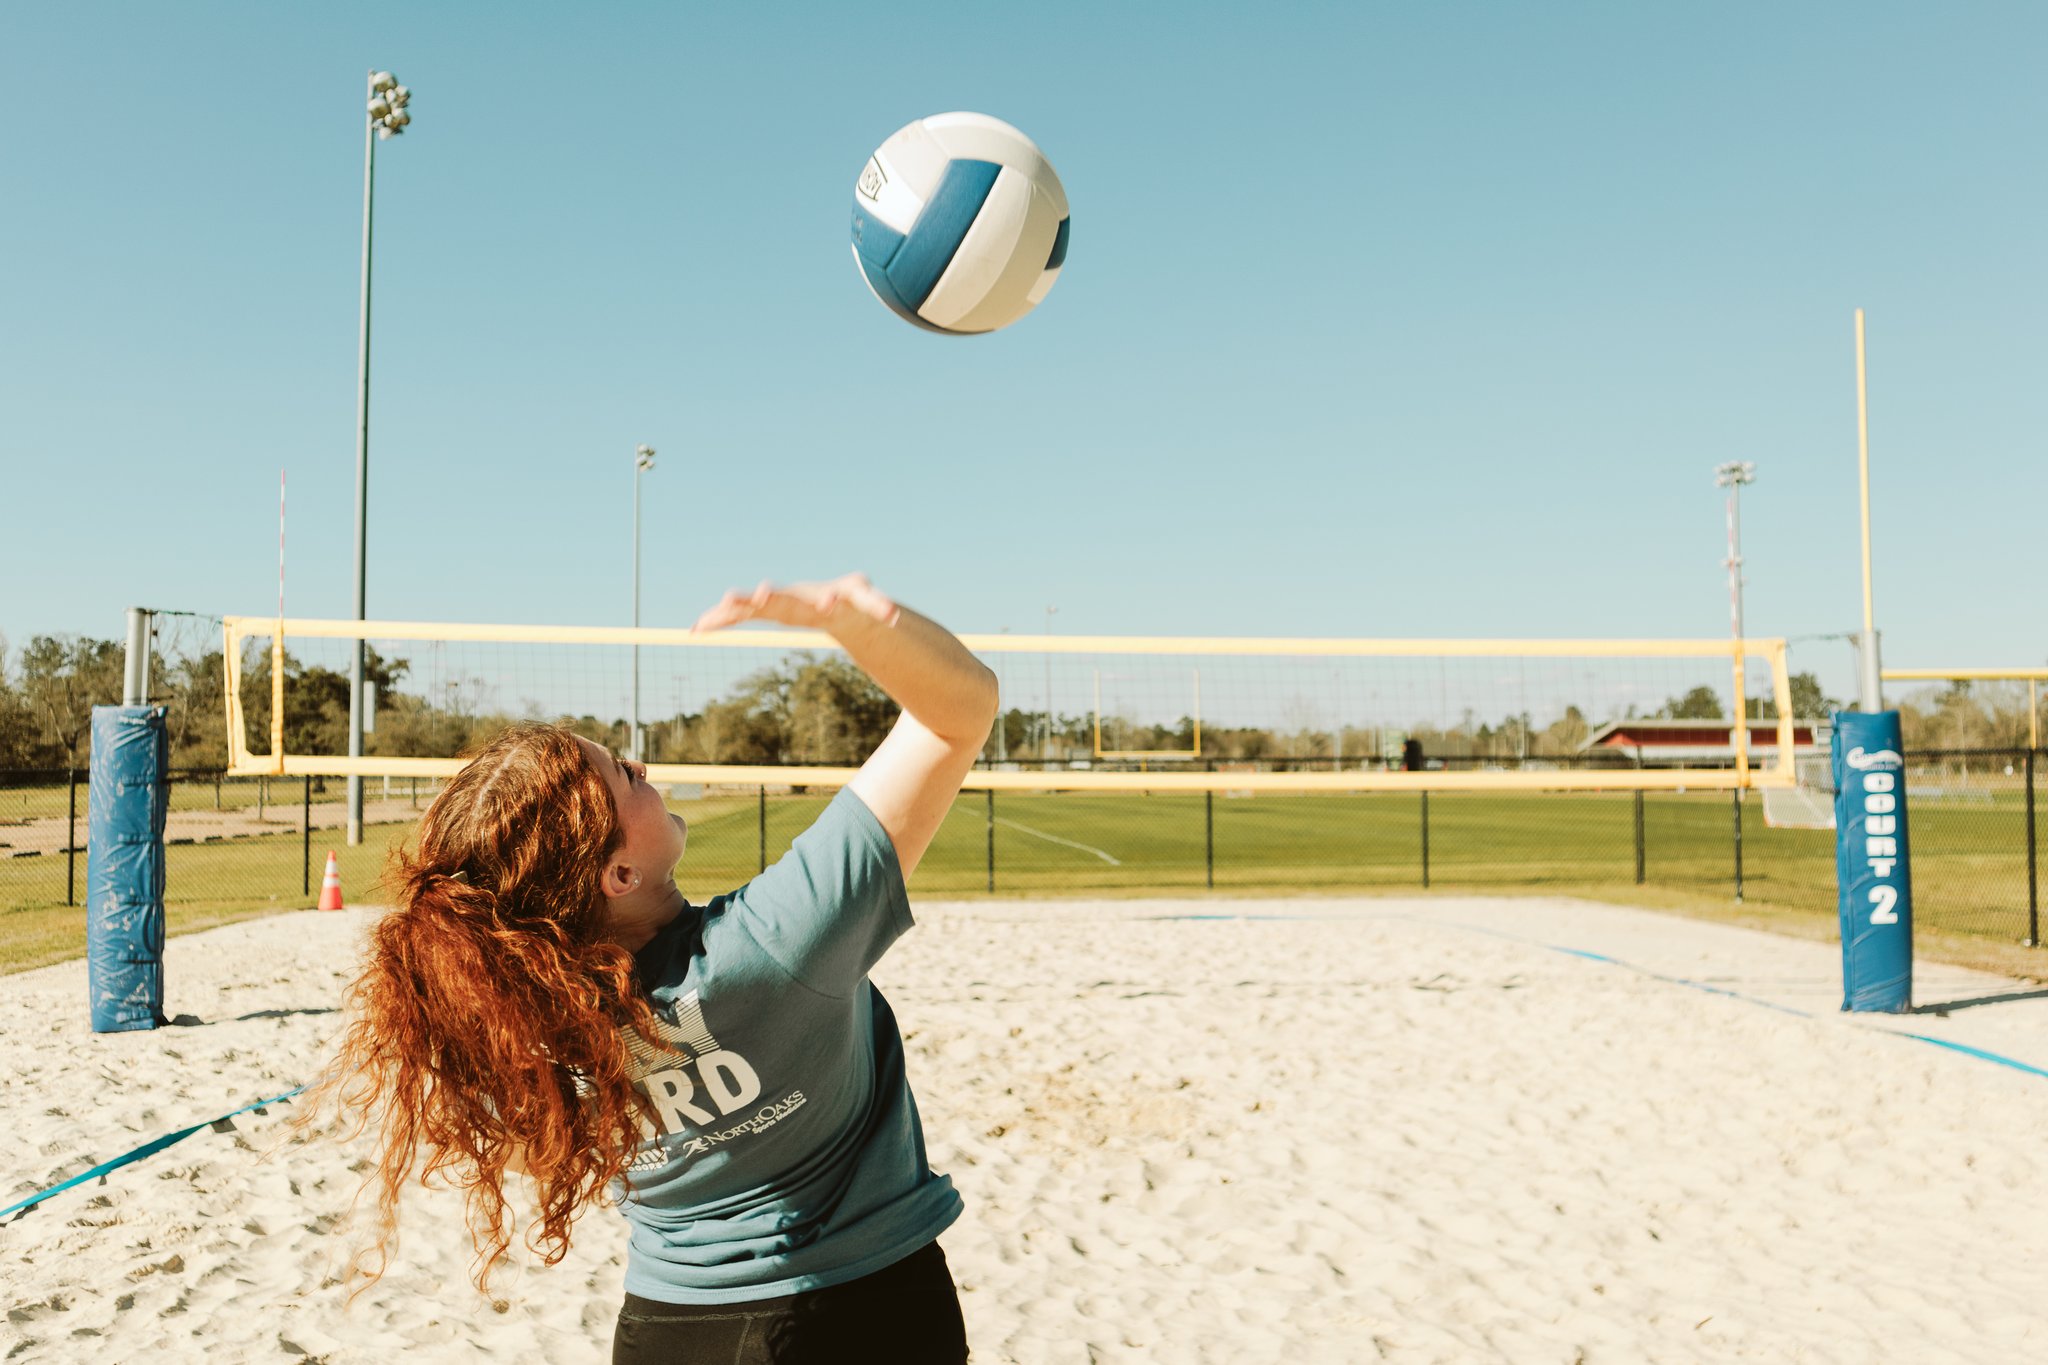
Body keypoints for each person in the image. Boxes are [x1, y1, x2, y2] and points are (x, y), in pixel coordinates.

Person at [306, 574, 997, 1364]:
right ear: (618, 875)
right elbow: (960, 709)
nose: (638, 765)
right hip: (863, 1312)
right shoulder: (777, 939)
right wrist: (852, 623)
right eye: (624, 777)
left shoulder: (527, 1016)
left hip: (668, 1329)